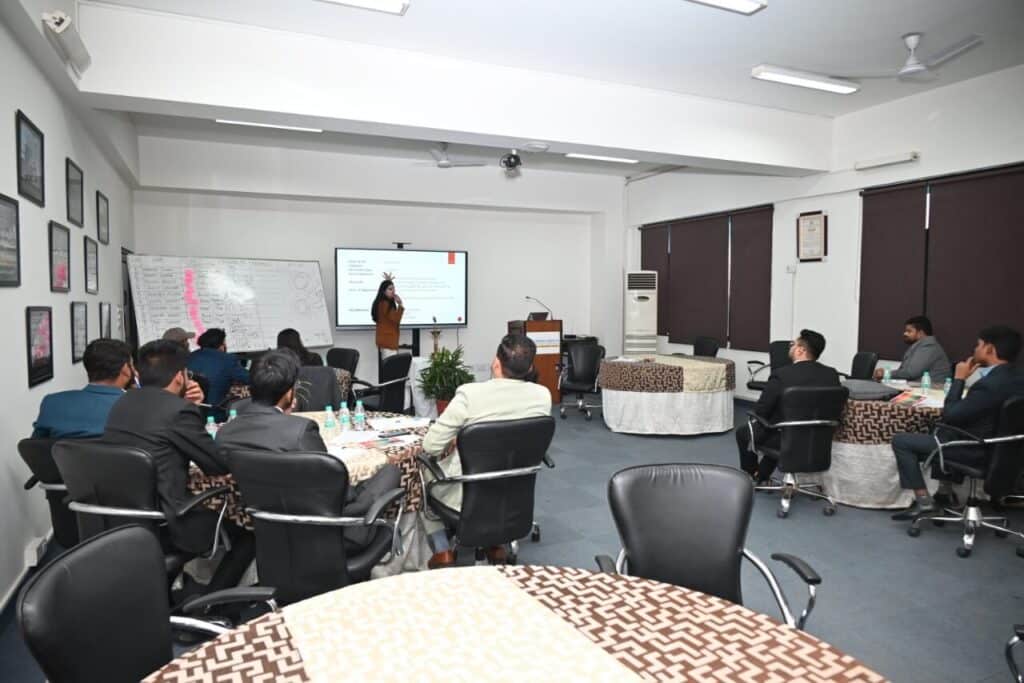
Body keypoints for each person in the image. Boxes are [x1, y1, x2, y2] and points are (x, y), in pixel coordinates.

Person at [103, 340, 254, 590]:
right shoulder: (179, 411)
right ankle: (214, 606)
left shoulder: (122, 402)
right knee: (249, 531)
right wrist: (191, 407)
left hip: (122, 516)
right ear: (179, 377)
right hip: (168, 521)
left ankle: (163, 594)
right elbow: (216, 465)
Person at [215, 349, 401, 549]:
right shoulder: (300, 430)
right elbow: (339, 492)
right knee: (390, 471)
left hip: (265, 529)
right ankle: (359, 533)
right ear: (289, 393)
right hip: (327, 531)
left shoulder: (225, 433)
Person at [419, 334, 551, 568]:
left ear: (496, 363)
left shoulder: (470, 394)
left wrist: (459, 438)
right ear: (530, 367)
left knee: (419, 470)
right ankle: (494, 544)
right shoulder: (543, 396)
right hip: (515, 493)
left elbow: (431, 446)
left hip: (468, 490)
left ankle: (442, 550)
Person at [890, 325, 1024, 520]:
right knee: (940, 431)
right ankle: (944, 493)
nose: (975, 349)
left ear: (989, 349)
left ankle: (925, 503)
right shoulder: (1017, 378)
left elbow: (950, 415)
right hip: (1006, 451)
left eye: (978, 345)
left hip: (976, 450)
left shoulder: (989, 385)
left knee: (902, 441)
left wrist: (959, 379)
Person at [736, 329, 840, 483]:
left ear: (800, 350)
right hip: (820, 439)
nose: (790, 347)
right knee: (780, 429)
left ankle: (752, 474)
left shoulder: (782, 374)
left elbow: (761, 410)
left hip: (786, 438)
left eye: (793, 344)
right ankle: (761, 475)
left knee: (744, 433)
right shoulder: (832, 374)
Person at [32, 339, 136, 438]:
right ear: (125, 369)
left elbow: (35, 446)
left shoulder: (52, 403)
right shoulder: (137, 407)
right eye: (132, 365)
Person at [873, 316, 951, 383]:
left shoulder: (929, 346)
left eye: (909, 331)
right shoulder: (920, 346)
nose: (905, 334)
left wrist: (886, 373)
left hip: (931, 391)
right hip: (919, 389)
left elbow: (911, 373)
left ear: (920, 333)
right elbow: (905, 372)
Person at [187, 328, 249, 410]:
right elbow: (250, 379)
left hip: (189, 408)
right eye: (224, 344)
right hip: (215, 410)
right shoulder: (227, 359)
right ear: (221, 346)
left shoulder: (189, 357)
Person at [371, 279, 404, 362]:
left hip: (386, 341)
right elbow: (396, 319)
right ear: (383, 291)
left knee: (389, 366)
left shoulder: (381, 302)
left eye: (394, 289)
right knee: (391, 367)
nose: (393, 291)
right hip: (388, 341)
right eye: (390, 289)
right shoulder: (385, 304)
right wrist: (400, 305)